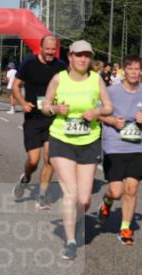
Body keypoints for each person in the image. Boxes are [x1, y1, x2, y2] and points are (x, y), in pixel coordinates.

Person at [42, 40, 113, 261]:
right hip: (61, 140)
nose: (83, 59)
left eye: (87, 55)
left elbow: (109, 107)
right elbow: (44, 107)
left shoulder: (96, 79)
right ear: (70, 57)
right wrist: (55, 108)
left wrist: (97, 111)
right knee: (70, 193)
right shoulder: (58, 79)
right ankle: (71, 240)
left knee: (83, 199)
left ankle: (77, 218)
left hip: (89, 141)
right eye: (79, 55)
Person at [97, 55, 142, 246]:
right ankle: (107, 202)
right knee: (116, 192)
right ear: (124, 71)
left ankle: (125, 228)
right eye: (130, 69)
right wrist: (113, 121)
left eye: (137, 69)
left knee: (131, 189)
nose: (134, 72)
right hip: (113, 146)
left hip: (136, 147)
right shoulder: (111, 92)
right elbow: (97, 114)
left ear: (141, 72)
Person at [11, 36, 65, 210]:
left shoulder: (61, 67)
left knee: (50, 159)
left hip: (52, 118)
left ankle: (42, 196)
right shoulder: (29, 63)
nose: (50, 52)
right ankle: (26, 177)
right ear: (40, 48)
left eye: (53, 49)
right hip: (33, 118)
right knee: (33, 161)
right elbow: (16, 85)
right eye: (47, 49)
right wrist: (22, 102)